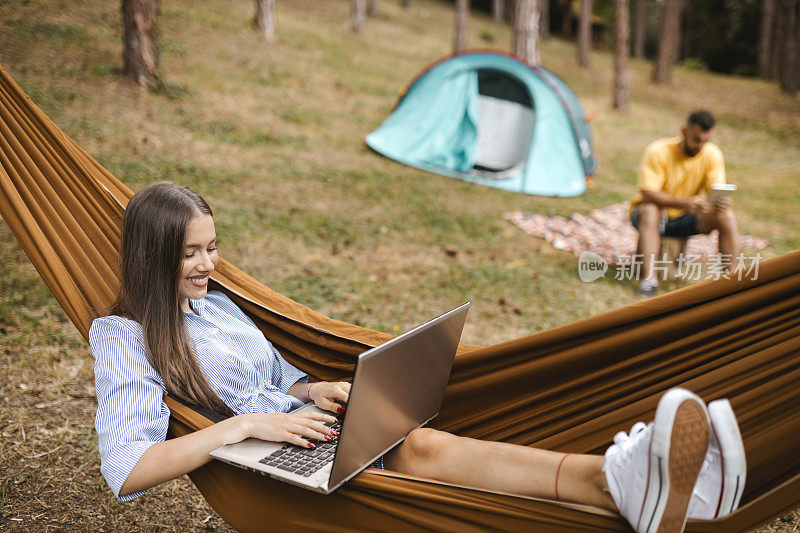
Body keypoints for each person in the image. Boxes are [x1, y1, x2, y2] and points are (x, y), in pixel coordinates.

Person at [90, 181, 747, 532]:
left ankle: (635, 483)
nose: (210, 263)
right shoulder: (123, 335)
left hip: (300, 430)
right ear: (155, 255)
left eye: (212, 246)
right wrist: (244, 426)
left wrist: (311, 390)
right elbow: (126, 467)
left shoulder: (213, 301)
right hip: (257, 466)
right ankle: (629, 478)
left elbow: (273, 381)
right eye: (192, 252)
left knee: (421, 444)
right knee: (420, 453)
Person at [629, 110, 740, 297]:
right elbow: (647, 193)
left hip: (685, 218)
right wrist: (685, 203)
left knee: (727, 216)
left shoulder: (711, 154)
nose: (701, 145)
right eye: (697, 139)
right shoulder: (658, 151)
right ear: (683, 131)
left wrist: (720, 203)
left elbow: (715, 189)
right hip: (652, 217)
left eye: (706, 141)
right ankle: (649, 281)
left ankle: (731, 283)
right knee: (650, 209)